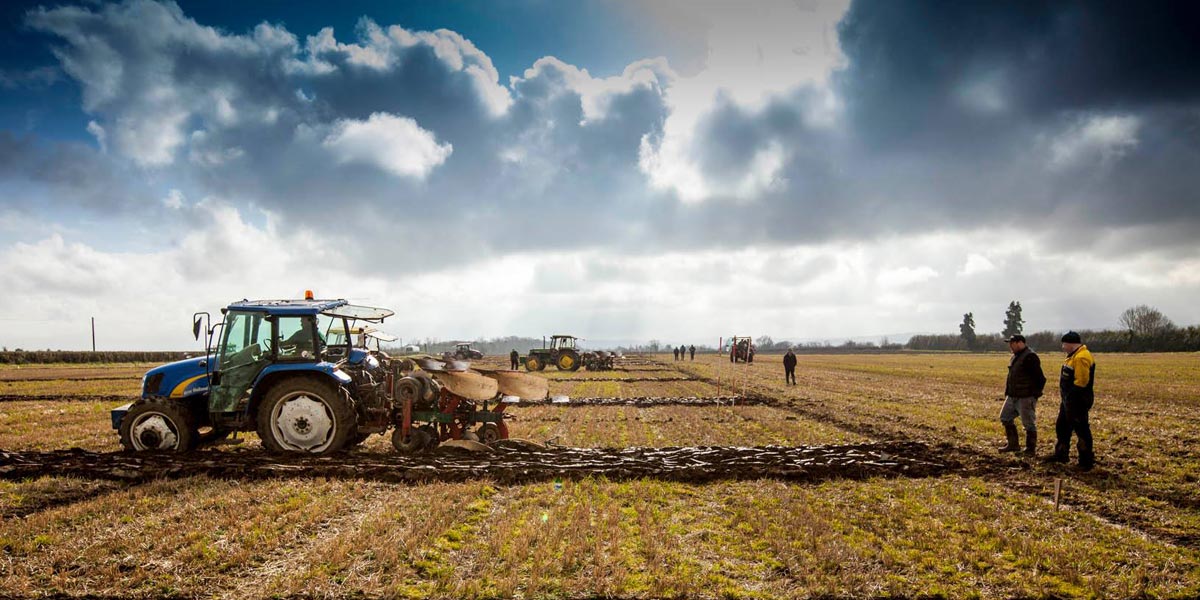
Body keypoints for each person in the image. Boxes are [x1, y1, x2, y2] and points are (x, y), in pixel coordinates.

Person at [1046, 331, 1096, 470]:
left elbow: (1082, 381)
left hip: (1077, 400)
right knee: (1062, 427)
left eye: (1064, 344)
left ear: (1070, 344)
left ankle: (1086, 461)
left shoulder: (1081, 357)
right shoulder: (1073, 356)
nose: (1063, 347)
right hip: (1068, 400)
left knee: (1081, 429)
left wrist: (1071, 398)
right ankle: (1061, 454)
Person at [998, 334, 1045, 455]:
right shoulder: (1015, 357)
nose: (1010, 346)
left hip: (1026, 397)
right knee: (1005, 417)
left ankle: (1030, 450)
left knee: (1028, 424)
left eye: (1012, 343)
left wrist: (1034, 396)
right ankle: (1013, 445)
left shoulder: (1030, 357)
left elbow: (1040, 379)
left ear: (1019, 343)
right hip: (1012, 395)